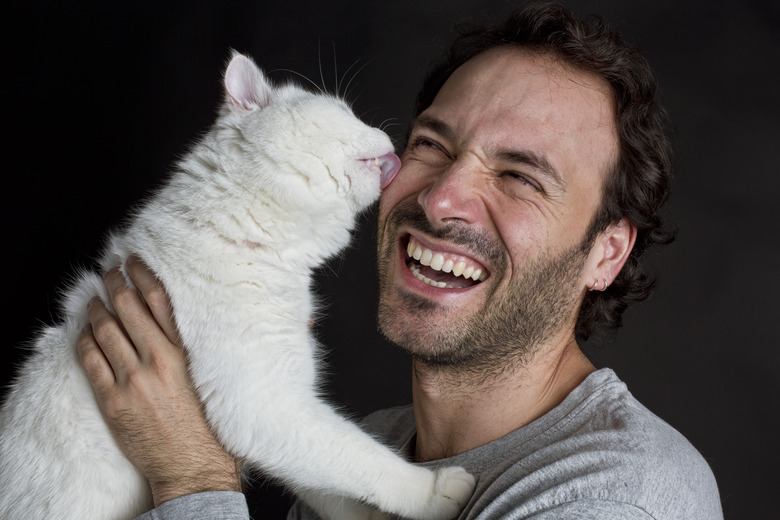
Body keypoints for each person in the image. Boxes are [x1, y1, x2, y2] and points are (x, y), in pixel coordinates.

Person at [78, 2, 722, 519]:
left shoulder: (615, 496)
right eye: (431, 145)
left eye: (520, 177)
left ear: (605, 255)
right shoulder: (373, 452)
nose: (442, 199)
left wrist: (191, 477)